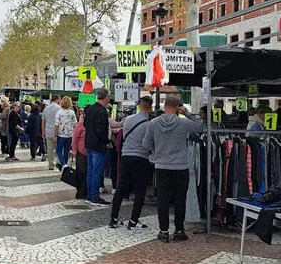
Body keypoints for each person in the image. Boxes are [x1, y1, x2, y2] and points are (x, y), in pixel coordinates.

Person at [142, 95, 205, 243]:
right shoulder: (183, 124)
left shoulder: (154, 123)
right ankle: (179, 230)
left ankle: (163, 231)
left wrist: (155, 150)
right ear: (178, 108)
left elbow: (145, 144)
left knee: (163, 198)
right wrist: (187, 113)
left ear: (164, 107)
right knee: (179, 198)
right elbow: (200, 127)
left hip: (161, 165)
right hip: (180, 166)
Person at [110, 96, 153, 230]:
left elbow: (123, 135)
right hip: (142, 158)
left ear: (140, 105)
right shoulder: (149, 124)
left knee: (121, 188)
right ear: (150, 108)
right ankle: (134, 221)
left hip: (126, 156)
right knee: (140, 190)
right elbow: (150, 143)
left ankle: (114, 218)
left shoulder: (128, 120)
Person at [84, 87, 112, 205]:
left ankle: (90, 194)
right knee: (97, 171)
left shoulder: (90, 109)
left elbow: (85, 124)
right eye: (109, 96)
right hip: (98, 145)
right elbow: (100, 129)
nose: (110, 98)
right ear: (106, 97)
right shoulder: (102, 111)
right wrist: (107, 141)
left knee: (90, 170)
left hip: (89, 143)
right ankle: (95, 196)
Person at [54, 96, 78, 168]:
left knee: (59, 151)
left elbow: (56, 124)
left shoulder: (59, 112)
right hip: (70, 134)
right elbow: (75, 123)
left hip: (61, 134)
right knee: (66, 151)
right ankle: (65, 164)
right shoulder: (72, 112)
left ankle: (63, 164)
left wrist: (55, 134)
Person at [43, 95, 62, 171]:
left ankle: (51, 165)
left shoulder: (46, 109)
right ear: (57, 100)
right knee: (59, 149)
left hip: (48, 131)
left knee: (50, 149)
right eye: (60, 99)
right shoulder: (59, 109)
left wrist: (43, 131)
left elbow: (43, 121)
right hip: (58, 131)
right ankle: (59, 163)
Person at [72, 112, 88, 201]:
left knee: (86, 172)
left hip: (89, 151)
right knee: (81, 172)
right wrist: (74, 150)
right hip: (81, 150)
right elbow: (75, 137)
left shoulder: (91, 122)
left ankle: (85, 190)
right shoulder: (81, 123)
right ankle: (80, 192)